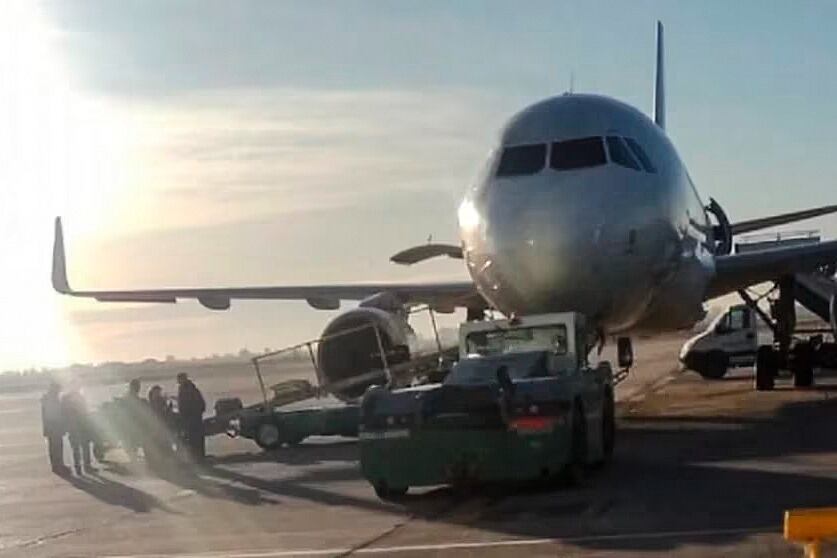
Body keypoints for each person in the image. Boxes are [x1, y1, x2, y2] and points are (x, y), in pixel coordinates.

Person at [61, 385, 96, 475]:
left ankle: (79, 468)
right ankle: (86, 466)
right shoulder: (79, 397)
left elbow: (63, 414)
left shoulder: (66, 398)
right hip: (80, 425)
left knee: (77, 448)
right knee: (83, 446)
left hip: (75, 426)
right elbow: (85, 412)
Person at [176, 373, 206, 460]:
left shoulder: (187, 389)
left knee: (194, 438)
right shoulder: (191, 388)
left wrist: (185, 415)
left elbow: (184, 405)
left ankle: (197, 457)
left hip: (191, 417)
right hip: (194, 417)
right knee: (197, 438)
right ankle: (199, 456)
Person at [41, 380, 68, 475]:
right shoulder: (51, 399)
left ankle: (58, 465)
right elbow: (53, 414)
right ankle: (57, 466)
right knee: (55, 447)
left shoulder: (50, 398)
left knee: (56, 447)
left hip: (52, 426)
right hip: (53, 426)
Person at [121, 378, 146, 461]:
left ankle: (133, 457)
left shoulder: (129, 395)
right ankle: (133, 457)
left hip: (132, 422)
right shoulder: (130, 396)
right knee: (133, 441)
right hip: (132, 422)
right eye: (138, 386)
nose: (139, 388)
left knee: (133, 442)